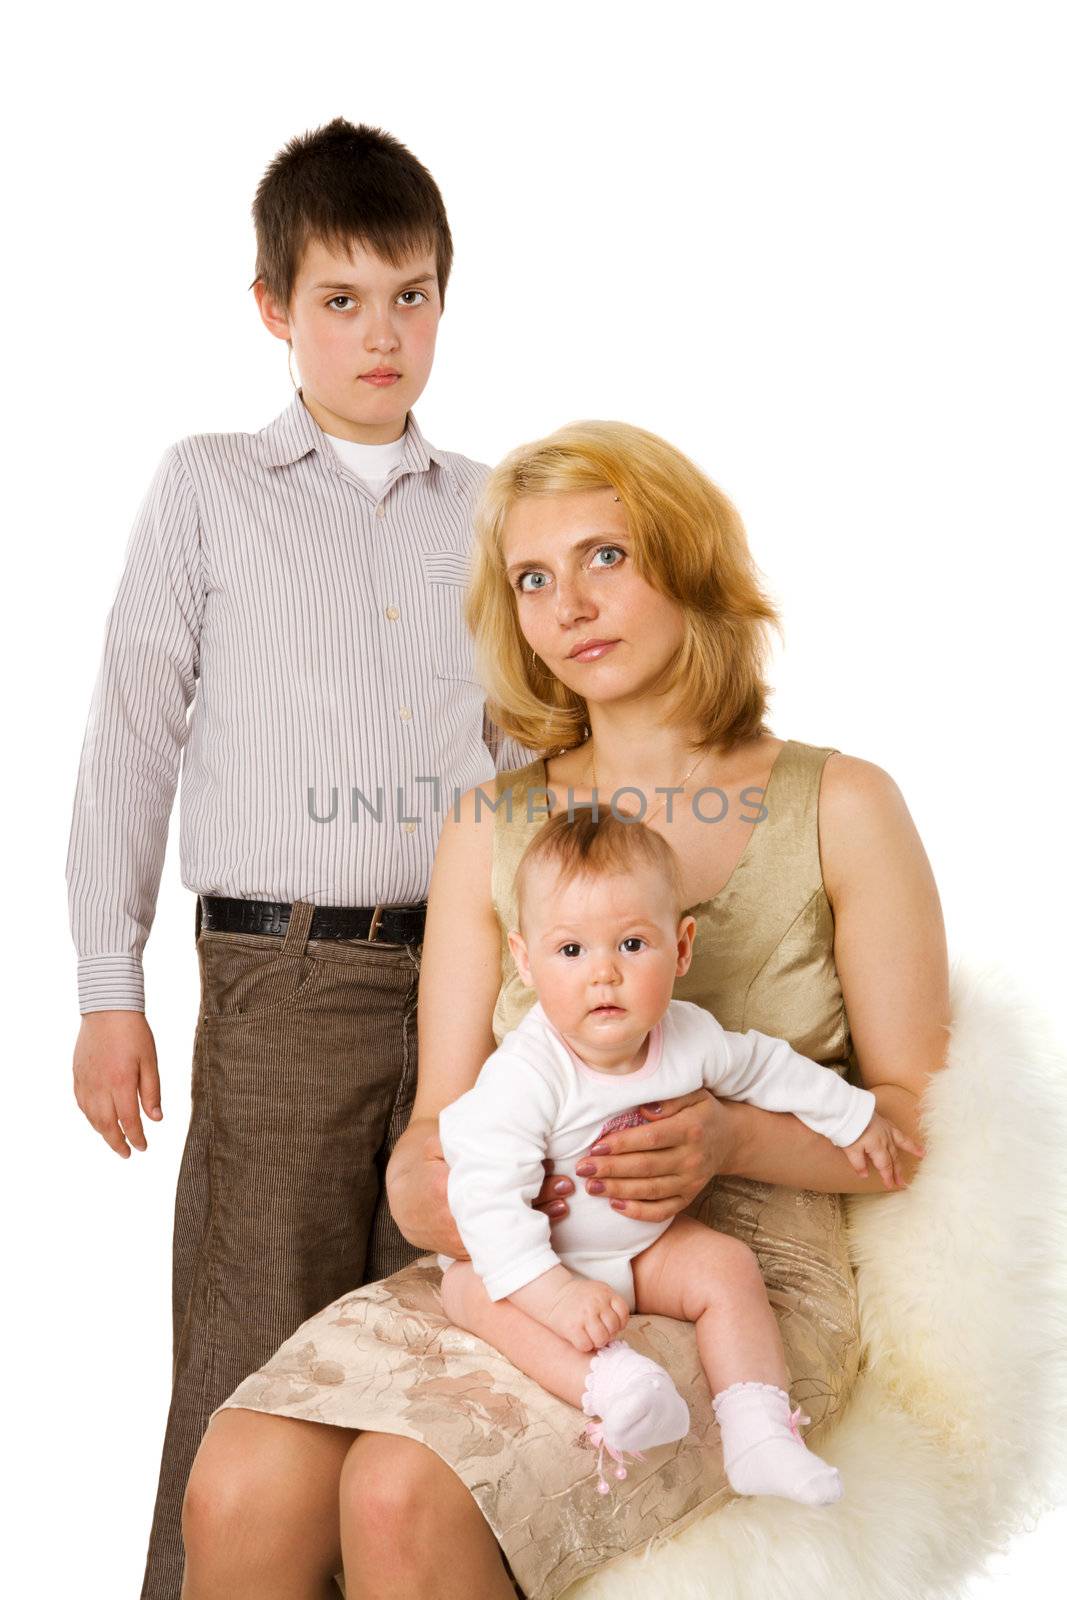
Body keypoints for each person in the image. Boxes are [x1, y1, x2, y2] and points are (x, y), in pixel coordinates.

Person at [181, 418, 949, 1600]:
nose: (568, 604)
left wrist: (731, 1136)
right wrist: (448, 1189)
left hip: (744, 1280)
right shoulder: (487, 824)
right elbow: (430, 1134)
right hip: (532, 1254)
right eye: (532, 578)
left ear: (687, 563)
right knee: (237, 1473)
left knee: (399, 1488)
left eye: (605, 557)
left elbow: (914, 1123)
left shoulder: (840, 803)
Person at [64, 118, 532, 1600]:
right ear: (273, 308)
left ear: (445, 303)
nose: (380, 333)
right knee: (253, 1357)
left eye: (409, 296)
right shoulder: (209, 486)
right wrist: (106, 987)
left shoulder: (495, 510)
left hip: (480, 991)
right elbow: (131, 734)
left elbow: (535, 755)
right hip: (281, 975)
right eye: (340, 299)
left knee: (439, 1362)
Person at [437, 805, 923, 1502]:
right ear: (523, 959)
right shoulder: (526, 1074)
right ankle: (608, 1384)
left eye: (631, 946)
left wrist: (854, 1118)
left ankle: (758, 1432)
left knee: (725, 1266)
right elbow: (485, 1203)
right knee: (467, 1286)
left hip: (642, 1248)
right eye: (570, 951)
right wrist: (555, 1294)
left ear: (681, 947)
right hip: (544, 1258)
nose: (602, 975)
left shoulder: (686, 1034)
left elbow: (767, 1068)